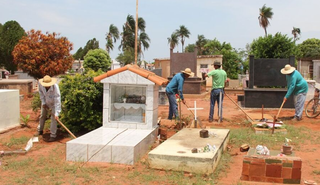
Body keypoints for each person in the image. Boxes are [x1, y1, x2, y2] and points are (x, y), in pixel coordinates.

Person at [35, 75, 61, 142]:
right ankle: (40, 130)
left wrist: (57, 113)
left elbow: (57, 100)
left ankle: (53, 135)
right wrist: (43, 102)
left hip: (53, 104)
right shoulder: (40, 85)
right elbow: (41, 93)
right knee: (42, 116)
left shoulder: (55, 88)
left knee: (54, 119)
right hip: (45, 103)